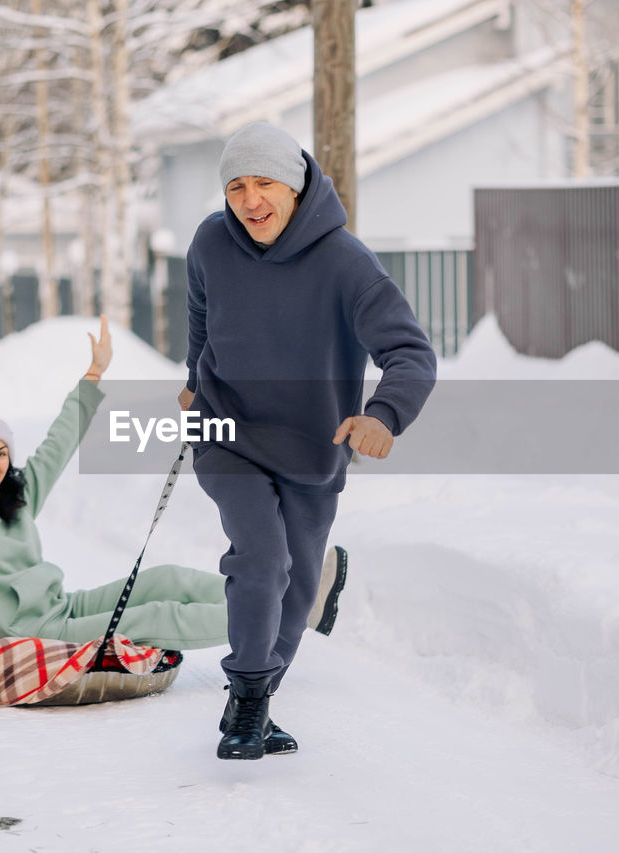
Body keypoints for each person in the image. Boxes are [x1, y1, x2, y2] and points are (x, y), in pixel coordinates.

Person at [0, 317, 344, 666]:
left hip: (61, 607)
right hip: (29, 633)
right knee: (151, 619)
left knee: (165, 579)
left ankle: (289, 593)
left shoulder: (18, 494)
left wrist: (92, 377)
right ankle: (289, 614)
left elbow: (60, 442)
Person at [181, 122, 437, 760]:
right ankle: (243, 706)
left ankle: (261, 701)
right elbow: (201, 318)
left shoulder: (346, 262)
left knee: (297, 589)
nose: (248, 199)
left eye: (263, 182)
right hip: (226, 435)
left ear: (294, 186)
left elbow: (410, 353)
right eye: (236, 186)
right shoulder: (211, 242)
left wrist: (383, 415)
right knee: (262, 559)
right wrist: (193, 384)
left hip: (311, 448)